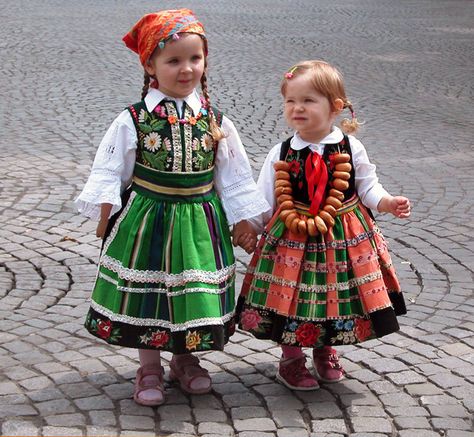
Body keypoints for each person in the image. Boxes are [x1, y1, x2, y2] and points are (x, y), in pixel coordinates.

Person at [75, 9, 268, 406]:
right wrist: (105, 209)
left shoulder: (216, 121)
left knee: (189, 293)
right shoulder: (133, 119)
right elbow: (112, 166)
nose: (186, 69)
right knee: (151, 293)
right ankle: (148, 366)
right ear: (150, 64)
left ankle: (186, 358)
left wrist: (245, 219)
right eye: (174, 60)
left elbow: (232, 174)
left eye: (194, 59)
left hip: (199, 219)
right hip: (149, 219)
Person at [236, 60, 411, 391]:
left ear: (335, 107)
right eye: (290, 101)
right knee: (291, 297)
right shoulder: (283, 150)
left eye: (308, 101)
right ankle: (290, 357)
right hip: (292, 237)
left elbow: (368, 185)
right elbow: (265, 197)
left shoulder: (350, 147)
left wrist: (386, 202)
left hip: (342, 237)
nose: (297, 108)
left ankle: (324, 349)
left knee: (332, 297)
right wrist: (250, 227)